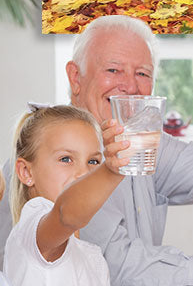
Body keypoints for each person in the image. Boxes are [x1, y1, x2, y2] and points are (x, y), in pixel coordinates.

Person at [0, 14, 193, 286]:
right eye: (113, 70)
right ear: (75, 78)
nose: (131, 87)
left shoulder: (143, 142)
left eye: (143, 74)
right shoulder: (50, 158)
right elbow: (123, 270)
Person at [4, 104, 129, 285]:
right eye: (66, 159)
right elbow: (66, 214)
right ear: (26, 172)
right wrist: (112, 171)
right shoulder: (30, 231)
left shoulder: (92, 257)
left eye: (93, 161)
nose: (83, 173)